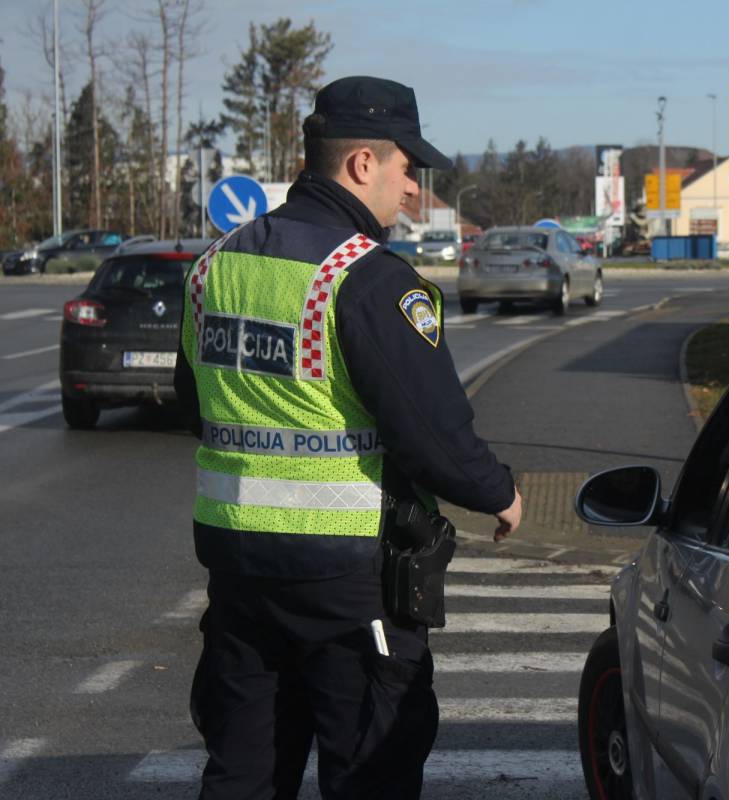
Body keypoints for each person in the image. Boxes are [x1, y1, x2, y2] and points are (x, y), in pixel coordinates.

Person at [173, 75, 523, 799]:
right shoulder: (364, 279)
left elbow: (193, 400)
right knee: (369, 769)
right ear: (363, 164)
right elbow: (430, 431)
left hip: (237, 563)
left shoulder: (215, 266)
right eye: (407, 169)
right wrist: (501, 493)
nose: (413, 190)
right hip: (345, 578)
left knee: (244, 770)